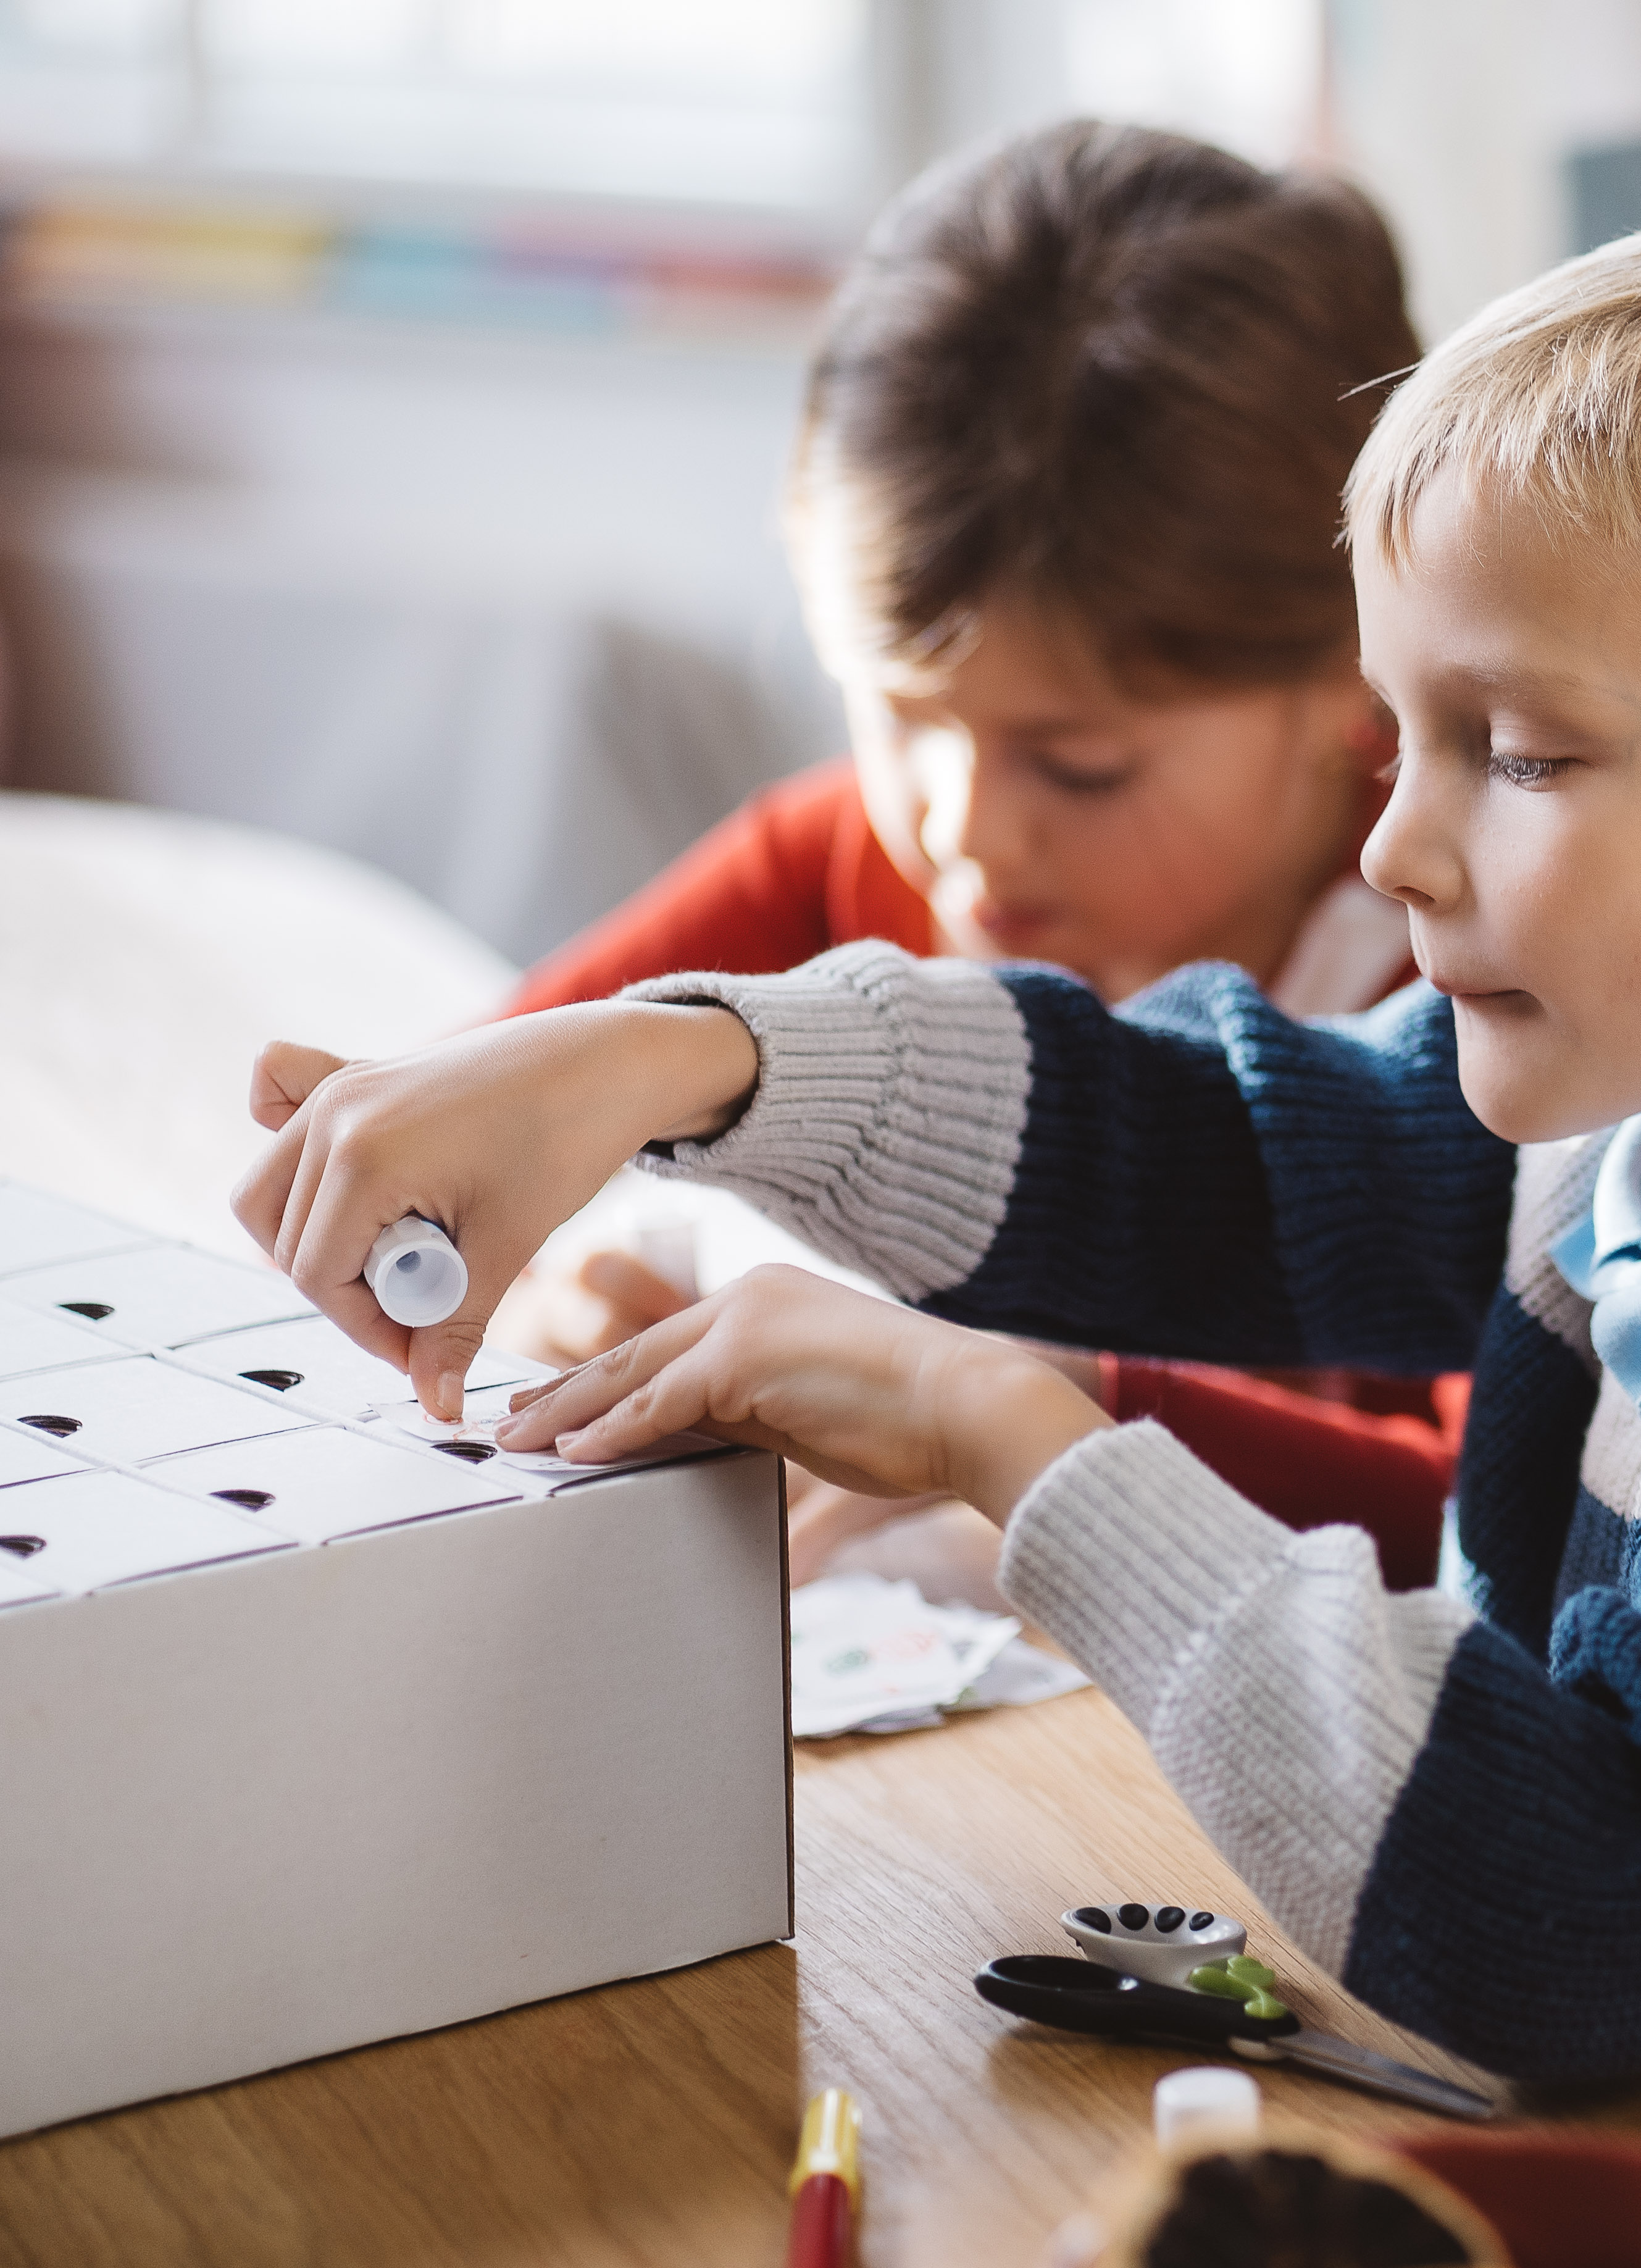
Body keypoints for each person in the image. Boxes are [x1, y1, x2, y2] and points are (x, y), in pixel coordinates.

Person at [238, 130, 1641, 2266]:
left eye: (1509, 749)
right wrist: (683, 1055)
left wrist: (1003, 1438)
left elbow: (1580, 1894)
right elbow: (1211, 1149)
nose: (1396, 849)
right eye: (1397, 736)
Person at [504, 122, 1457, 1586]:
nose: (963, 824)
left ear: (1358, 660)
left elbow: (1509, 1523)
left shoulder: (1487, 977)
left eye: (1079, 764)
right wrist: (573, 1270)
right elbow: (510, 1090)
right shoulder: (841, 858)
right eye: (895, 714)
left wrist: (1028, 1418)